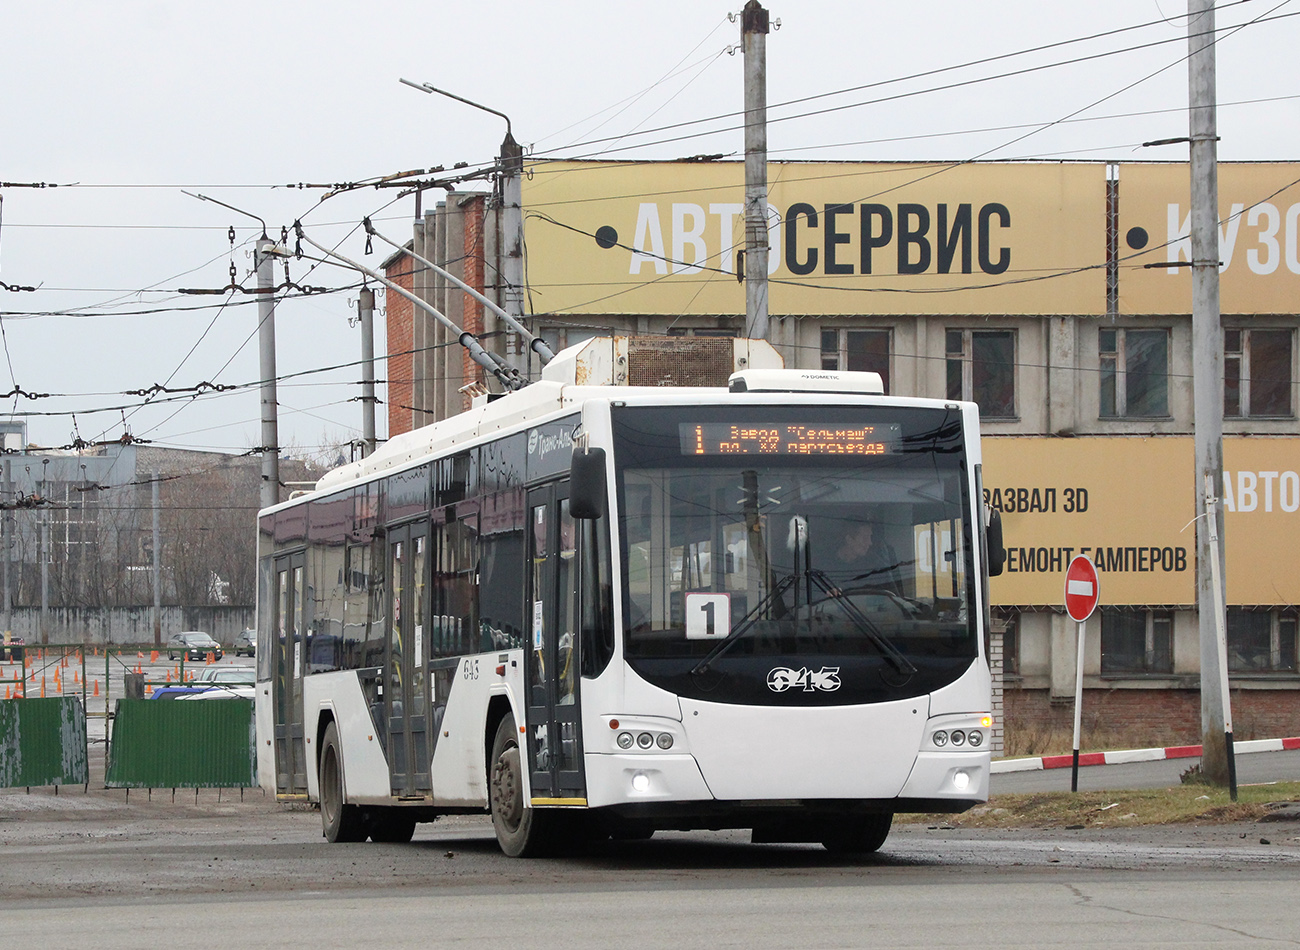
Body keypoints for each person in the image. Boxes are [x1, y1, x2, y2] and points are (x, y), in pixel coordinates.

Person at [831, 521, 905, 597]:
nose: (870, 543)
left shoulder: (874, 563)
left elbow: (892, 590)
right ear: (849, 539)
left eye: (870, 537)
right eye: (865, 538)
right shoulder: (825, 564)